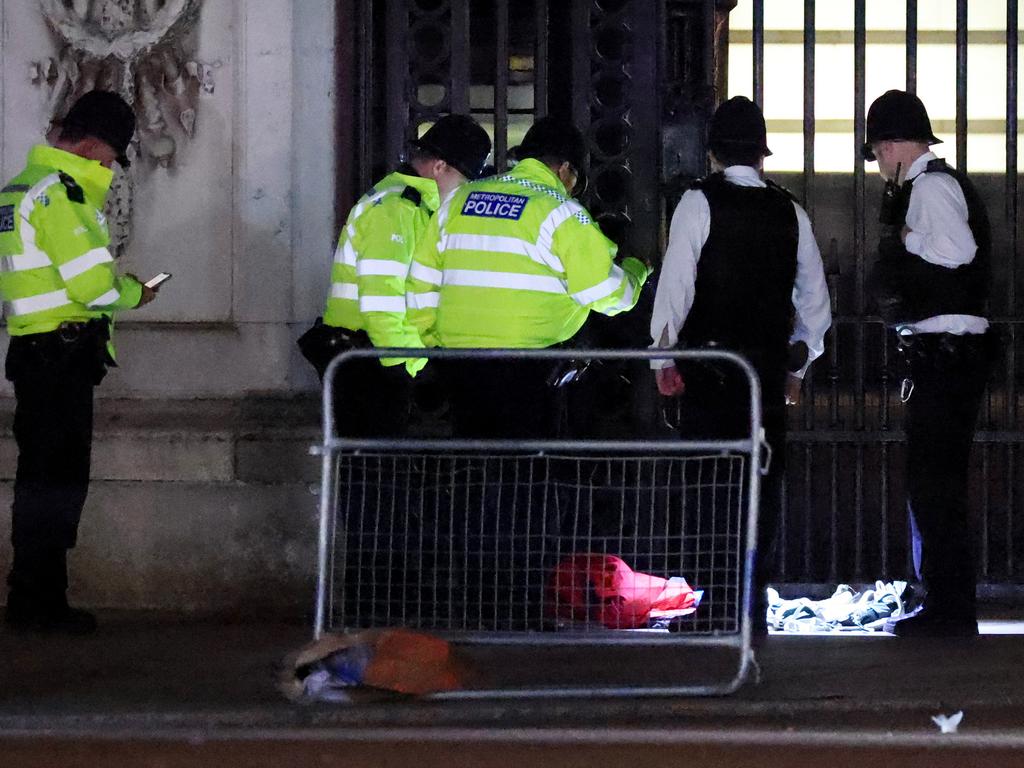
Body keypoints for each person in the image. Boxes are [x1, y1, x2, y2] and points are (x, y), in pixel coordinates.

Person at [650, 96, 831, 638]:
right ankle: (751, 603)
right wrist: (800, 364)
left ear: (711, 154)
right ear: (761, 155)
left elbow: (676, 286)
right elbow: (816, 302)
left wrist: (663, 356)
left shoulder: (697, 204)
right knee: (762, 486)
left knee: (710, 486)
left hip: (710, 371)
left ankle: (717, 602)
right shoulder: (790, 210)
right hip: (765, 375)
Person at [0, 90, 158, 634]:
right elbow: (91, 284)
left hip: (33, 349)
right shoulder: (61, 196)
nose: (111, 168)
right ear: (92, 147)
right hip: (61, 356)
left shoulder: (21, 187)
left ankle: (32, 596)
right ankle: (40, 604)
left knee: (39, 478)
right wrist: (136, 292)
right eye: (112, 157)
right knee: (60, 480)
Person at [406, 116, 650, 439]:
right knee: (526, 471)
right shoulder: (561, 212)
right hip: (530, 368)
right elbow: (607, 294)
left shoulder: (458, 202)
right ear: (565, 170)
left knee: (474, 460)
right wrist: (636, 271)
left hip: (459, 363)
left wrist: (432, 344)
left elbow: (421, 281)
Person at [864, 89, 996, 638]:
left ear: (893, 146)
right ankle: (944, 600)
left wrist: (903, 235)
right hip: (946, 354)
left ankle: (947, 606)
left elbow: (957, 250)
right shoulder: (933, 185)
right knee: (934, 482)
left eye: (876, 154)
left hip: (946, 353)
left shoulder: (932, 187)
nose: (877, 168)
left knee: (933, 484)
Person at [312, 114, 490, 438]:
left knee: (377, 473)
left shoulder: (413, 207)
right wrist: (414, 367)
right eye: (463, 181)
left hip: (377, 357)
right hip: (372, 362)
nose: (463, 191)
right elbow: (383, 302)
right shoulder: (396, 210)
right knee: (373, 473)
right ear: (440, 167)